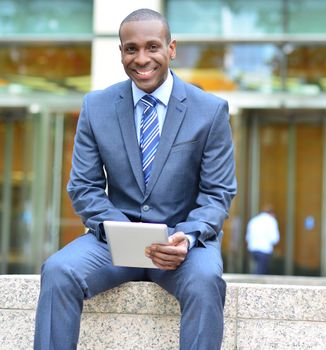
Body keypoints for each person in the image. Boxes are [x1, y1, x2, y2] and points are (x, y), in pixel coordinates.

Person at [33, 8, 236, 350]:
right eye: (131, 49)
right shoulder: (96, 106)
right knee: (58, 271)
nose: (141, 59)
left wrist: (186, 237)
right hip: (112, 241)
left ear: (171, 49)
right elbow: (83, 187)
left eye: (152, 47)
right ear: (121, 52)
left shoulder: (210, 110)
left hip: (182, 244)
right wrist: (122, 233)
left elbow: (217, 194)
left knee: (205, 280)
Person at [245, 206, 280, 274]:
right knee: (261, 271)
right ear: (271, 213)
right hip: (264, 249)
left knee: (258, 268)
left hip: (253, 248)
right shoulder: (271, 221)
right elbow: (275, 239)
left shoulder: (254, 220)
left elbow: (247, 237)